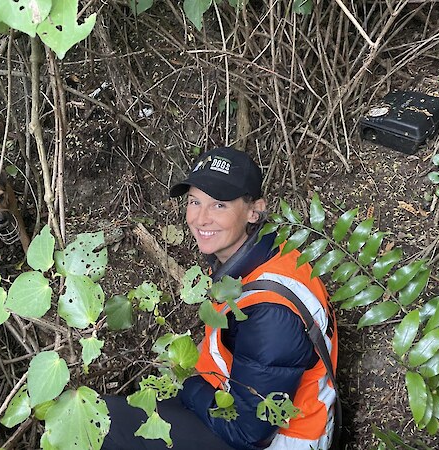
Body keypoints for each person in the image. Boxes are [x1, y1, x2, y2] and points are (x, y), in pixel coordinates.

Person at [102, 146, 338, 450]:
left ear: (255, 210)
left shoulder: (270, 313)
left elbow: (250, 431)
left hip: (279, 440)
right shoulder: (275, 253)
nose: (200, 219)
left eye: (219, 206)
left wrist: (187, 382)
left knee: (107, 423)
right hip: (239, 403)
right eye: (194, 202)